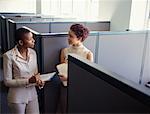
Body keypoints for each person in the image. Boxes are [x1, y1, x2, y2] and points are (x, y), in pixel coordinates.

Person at [3, 27, 44, 114]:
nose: (33, 41)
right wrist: (28, 81)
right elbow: (7, 82)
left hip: (32, 94)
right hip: (17, 97)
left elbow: (35, 73)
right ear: (21, 42)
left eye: (32, 38)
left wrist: (39, 82)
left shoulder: (33, 53)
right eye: (30, 39)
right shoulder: (8, 56)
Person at [58, 23, 93, 113]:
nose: (68, 38)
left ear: (80, 38)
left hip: (80, 89)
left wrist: (69, 78)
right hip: (65, 87)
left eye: (71, 36)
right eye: (68, 35)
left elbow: (87, 76)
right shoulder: (64, 51)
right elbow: (62, 70)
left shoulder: (88, 54)